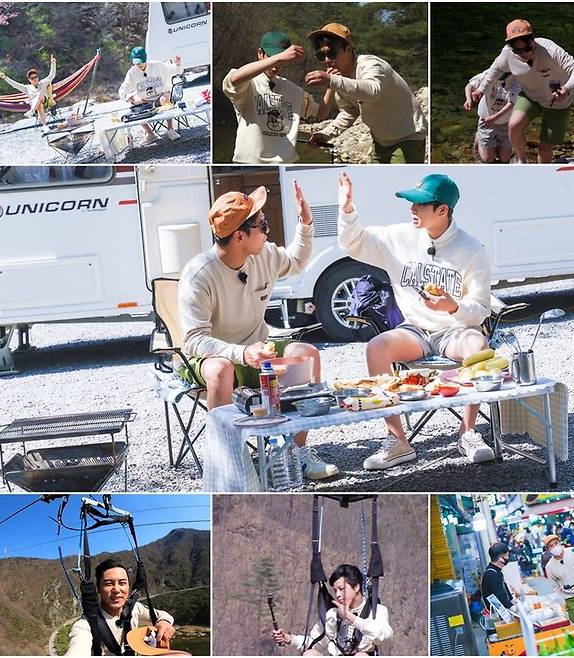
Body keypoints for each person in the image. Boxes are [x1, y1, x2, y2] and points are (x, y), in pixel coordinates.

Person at [179, 182, 338, 480]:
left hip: (258, 352)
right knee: (220, 371)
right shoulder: (199, 274)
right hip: (214, 356)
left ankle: (297, 451)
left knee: (306, 353)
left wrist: (306, 224)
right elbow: (193, 339)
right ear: (240, 236)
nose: (268, 231)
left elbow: (296, 261)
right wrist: (241, 353)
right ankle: (229, 461)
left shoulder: (263, 254)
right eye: (262, 225)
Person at [337, 171, 493, 470]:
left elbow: (480, 308)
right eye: (411, 202)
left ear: (443, 210)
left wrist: (453, 306)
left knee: (477, 343)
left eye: (420, 204)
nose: (412, 209)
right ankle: (398, 440)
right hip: (415, 330)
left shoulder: (472, 249)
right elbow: (353, 243)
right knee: (376, 347)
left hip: (454, 330)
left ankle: (469, 432)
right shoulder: (399, 236)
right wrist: (346, 209)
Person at [305, 23, 427, 163]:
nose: (327, 61)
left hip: (408, 137)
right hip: (381, 142)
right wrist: (325, 134)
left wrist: (331, 80)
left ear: (349, 50)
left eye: (332, 54)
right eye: (321, 55)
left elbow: (372, 90)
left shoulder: (370, 64)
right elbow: (349, 112)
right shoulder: (340, 80)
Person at [471, 19, 574, 163]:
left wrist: (567, 88)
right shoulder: (507, 53)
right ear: (510, 46)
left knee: (544, 149)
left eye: (527, 48)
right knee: (513, 126)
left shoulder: (550, 50)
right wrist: (481, 90)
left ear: (532, 40)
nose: (523, 54)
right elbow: (494, 71)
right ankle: (522, 161)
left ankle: (542, 174)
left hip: (557, 101)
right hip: (530, 96)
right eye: (518, 51)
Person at [222, 31, 334, 163]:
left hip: (286, 162)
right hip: (248, 162)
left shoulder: (294, 90)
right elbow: (234, 79)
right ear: (260, 54)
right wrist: (279, 57)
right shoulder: (248, 83)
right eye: (272, 57)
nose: (276, 66)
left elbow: (321, 112)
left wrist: (332, 82)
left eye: (282, 61)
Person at [271, 564, 393, 655]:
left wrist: (351, 617)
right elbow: (313, 642)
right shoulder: (332, 615)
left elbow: (383, 636)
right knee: (309, 654)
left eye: (341, 589)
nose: (338, 595)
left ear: (356, 587)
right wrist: (289, 639)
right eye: (335, 591)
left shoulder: (376, 611)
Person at [66, 559, 175, 655]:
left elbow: (163, 615)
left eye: (122, 583)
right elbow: (78, 649)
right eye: (109, 584)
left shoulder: (134, 608)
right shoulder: (86, 625)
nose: (117, 590)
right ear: (98, 589)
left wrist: (164, 622)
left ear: (128, 586)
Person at [118, 46, 183, 144]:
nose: (138, 64)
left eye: (140, 62)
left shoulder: (157, 65)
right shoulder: (132, 72)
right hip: (145, 102)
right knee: (134, 106)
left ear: (145, 59)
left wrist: (178, 64)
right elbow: (122, 90)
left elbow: (176, 70)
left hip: (160, 96)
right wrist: (129, 97)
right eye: (136, 62)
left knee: (165, 99)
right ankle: (150, 134)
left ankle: (170, 129)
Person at [463, 70, 520, 163]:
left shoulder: (519, 78)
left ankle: (497, 143)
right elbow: (469, 86)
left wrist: (494, 118)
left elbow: (512, 103)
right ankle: (479, 137)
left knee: (505, 159)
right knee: (488, 159)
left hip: (506, 122)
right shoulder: (490, 73)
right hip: (487, 121)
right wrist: (468, 99)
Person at [0, 55, 57, 133]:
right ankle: (45, 126)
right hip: (37, 106)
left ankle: (31, 112)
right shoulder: (27, 88)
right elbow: (15, 85)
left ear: (38, 77)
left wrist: (53, 63)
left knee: (39, 95)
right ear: (29, 80)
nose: (35, 79)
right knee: (39, 104)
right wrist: (5, 78)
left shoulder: (43, 82)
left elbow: (51, 76)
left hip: (46, 102)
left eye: (35, 77)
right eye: (32, 78)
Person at [481, 543, 515, 612]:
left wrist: (512, 601)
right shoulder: (491, 574)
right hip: (497, 613)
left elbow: (505, 588)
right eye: (507, 556)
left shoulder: (496, 571)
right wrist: (512, 607)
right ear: (501, 558)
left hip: (502, 611)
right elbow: (500, 595)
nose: (508, 558)